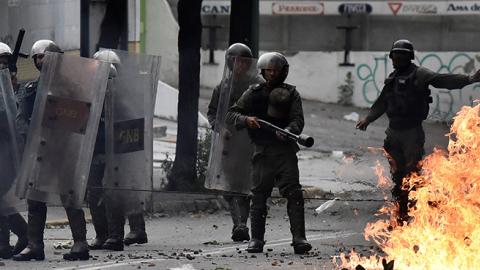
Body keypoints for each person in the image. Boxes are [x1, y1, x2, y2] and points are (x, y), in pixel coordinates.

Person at [356, 39, 480, 223]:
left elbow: (442, 80)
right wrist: (368, 119)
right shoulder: (392, 78)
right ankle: (401, 215)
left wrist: (469, 79)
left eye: (401, 55)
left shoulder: (419, 74)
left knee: (412, 175)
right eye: (395, 54)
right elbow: (382, 102)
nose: (396, 58)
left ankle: (417, 214)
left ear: (408, 57)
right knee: (398, 178)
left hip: (411, 134)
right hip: (393, 133)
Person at [227, 52, 312, 254]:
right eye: (269, 71)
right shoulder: (253, 92)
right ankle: (256, 239)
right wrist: (246, 120)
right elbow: (231, 114)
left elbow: (297, 120)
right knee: (259, 195)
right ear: (263, 72)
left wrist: (290, 131)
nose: (272, 74)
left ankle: (299, 238)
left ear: (283, 72)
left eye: (276, 71)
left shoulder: (291, 93)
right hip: (262, 152)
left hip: (285, 151)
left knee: (294, 193)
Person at [13, 40, 90, 261]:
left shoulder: (72, 89)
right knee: (35, 199)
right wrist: (37, 138)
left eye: (43, 56)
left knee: (70, 196)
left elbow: (80, 117)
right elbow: (21, 121)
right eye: (37, 57)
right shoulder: (31, 90)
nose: (40, 60)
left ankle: (80, 243)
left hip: (65, 150)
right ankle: (34, 244)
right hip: (39, 150)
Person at [87, 50, 148, 251]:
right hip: (96, 152)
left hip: (118, 154)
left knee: (120, 191)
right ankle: (102, 234)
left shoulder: (123, 95)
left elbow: (132, 125)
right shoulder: (90, 93)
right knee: (95, 192)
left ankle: (119, 234)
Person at [207, 43, 262, 242]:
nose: (240, 66)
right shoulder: (223, 87)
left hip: (250, 143)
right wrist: (220, 129)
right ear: (230, 63)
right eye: (236, 62)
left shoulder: (257, 86)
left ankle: (242, 225)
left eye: (244, 62)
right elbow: (213, 113)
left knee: (247, 188)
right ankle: (237, 223)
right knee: (230, 188)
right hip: (229, 145)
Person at [0, 42, 28, 259]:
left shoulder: (13, 85)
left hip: (9, 150)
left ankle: (3, 244)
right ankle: (24, 234)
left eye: (5, 61)